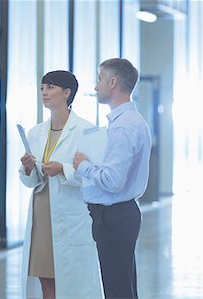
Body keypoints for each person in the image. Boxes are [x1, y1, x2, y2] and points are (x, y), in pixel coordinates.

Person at [19, 70, 103, 299]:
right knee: (44, 276)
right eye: (42, 87)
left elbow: (93, 175)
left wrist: (63, 169)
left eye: (51, 87)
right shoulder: (36, 132)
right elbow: (30, 179)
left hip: (71, 214)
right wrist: (28, 167)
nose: (44, 93)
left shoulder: (87, 130)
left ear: (67, 93)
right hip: (42, 211)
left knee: (71, 281)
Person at [73, 58, 151, 299]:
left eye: (99, 80)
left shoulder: (123, 127)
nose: (96, 87)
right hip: (121, 214)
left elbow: (113, 180)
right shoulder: (130, 121)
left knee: (117, 289)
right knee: (123, 287)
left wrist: (83, 166)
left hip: (114, 216)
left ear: (113, 82)